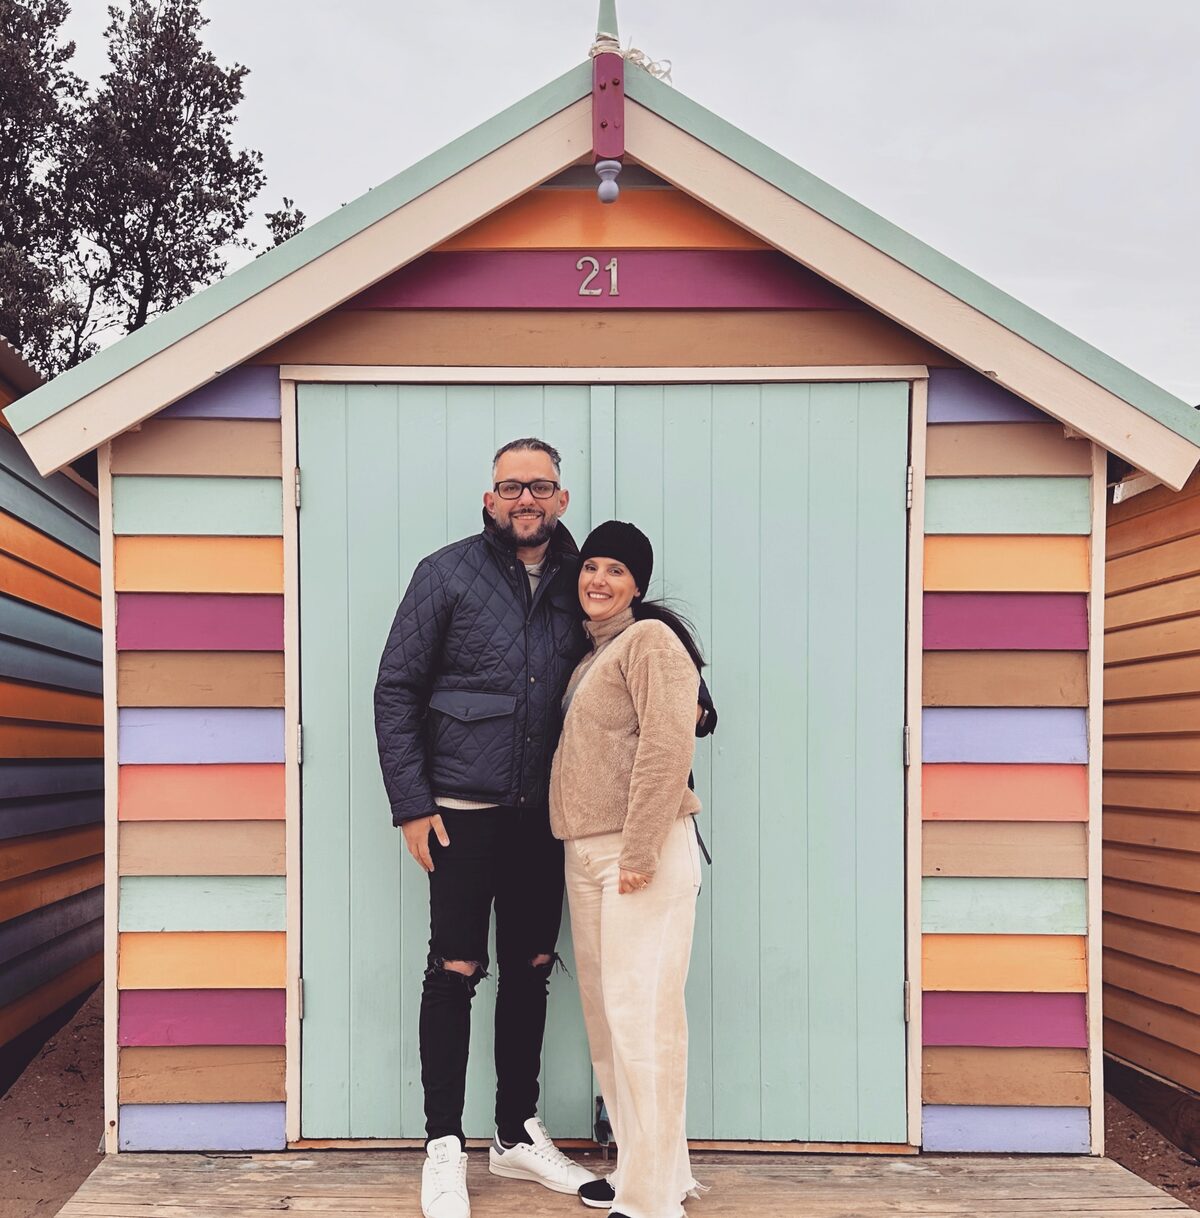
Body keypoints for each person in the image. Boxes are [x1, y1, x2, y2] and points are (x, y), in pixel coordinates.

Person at [374, 442, 714, 1218]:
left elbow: (641, 657)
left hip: (546, 819)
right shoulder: (445, 574)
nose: (525, 498)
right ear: (491, 497)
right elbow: (396, 689)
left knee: (531, 965)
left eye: (541, 486)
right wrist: (411, 802)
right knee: (456, 966)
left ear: (561, 499)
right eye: (510, 485)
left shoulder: (578, 579)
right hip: (460, 810)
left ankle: (515, 1134)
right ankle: (444, 1145)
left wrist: (696, 703)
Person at [550, 521, 709, 1218]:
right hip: (587, 850)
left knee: (642, 1017)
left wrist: (641, 849)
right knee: (609, 1020)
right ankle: (648, 1173)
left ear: (637, 583)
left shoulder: (650, 642)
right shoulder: (598, 653)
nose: (599, 580)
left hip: (636, 852)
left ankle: (651, 1201)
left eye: (615, 569)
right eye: (591, 567)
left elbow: (668, 744)